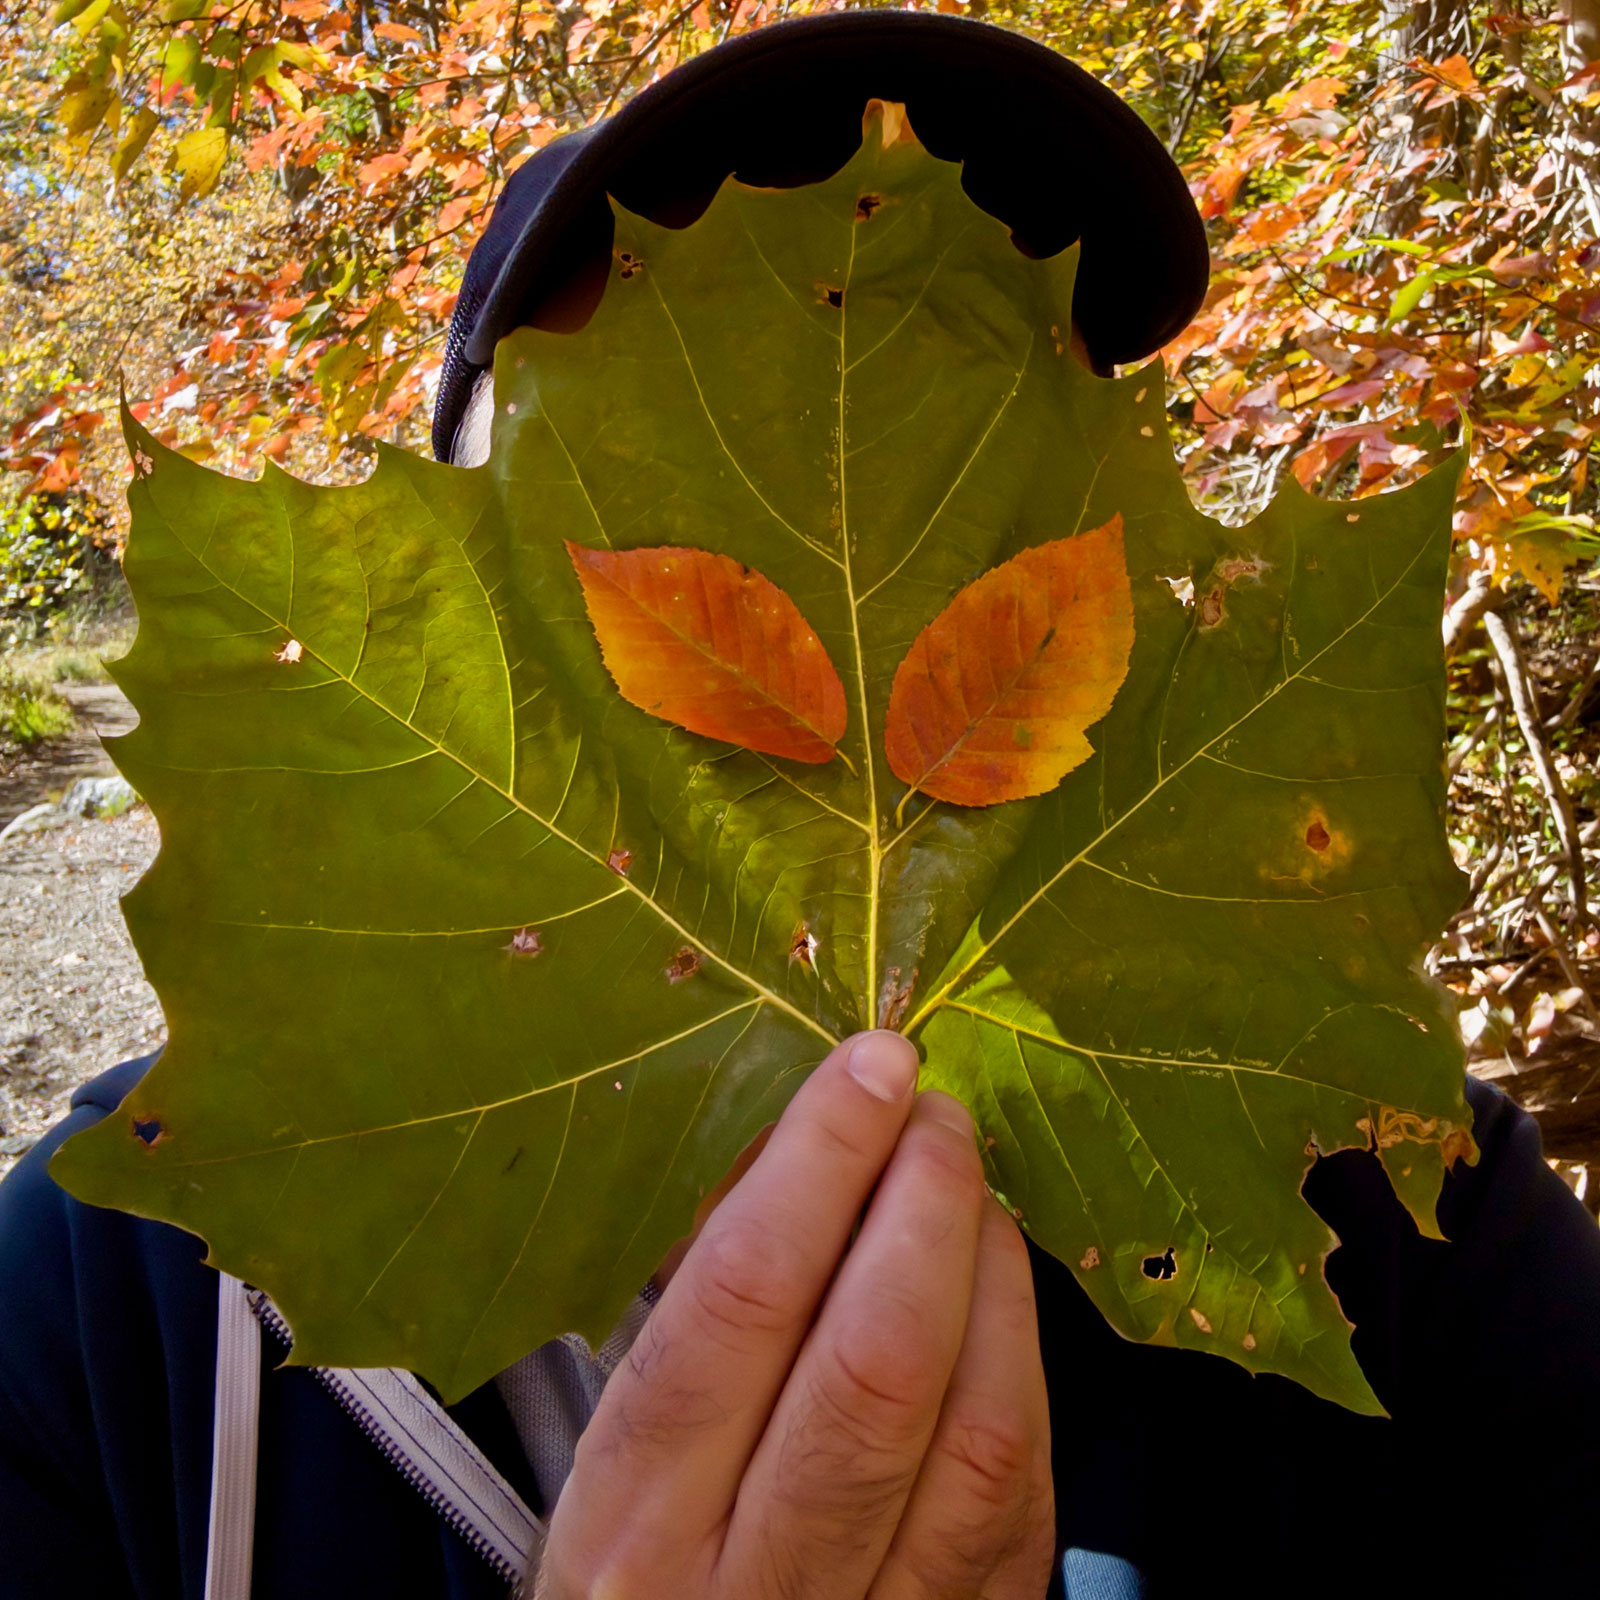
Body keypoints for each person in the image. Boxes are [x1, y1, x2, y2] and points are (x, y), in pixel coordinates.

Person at [3, 14, 1599, 1600]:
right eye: (647, 453)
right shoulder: (124, 1308)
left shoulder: (1387, 1225)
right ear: (450, 612)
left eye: (980, 454)